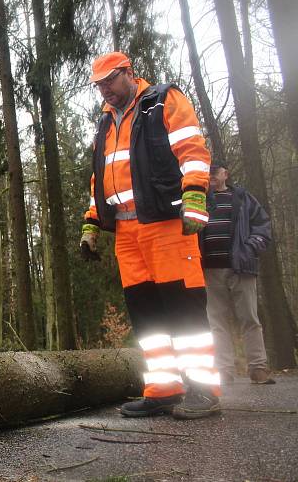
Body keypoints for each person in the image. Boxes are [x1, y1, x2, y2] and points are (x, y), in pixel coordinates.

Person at [80, 52, 221, 419]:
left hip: (166, 224)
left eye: (110, 80)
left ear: (128, 73)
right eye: (99, 85)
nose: (105, 90)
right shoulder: (106, 125)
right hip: (127, 232)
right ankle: (163, 388)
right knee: (147, 314)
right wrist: (92, 221)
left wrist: (194, 194)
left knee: (183, 308)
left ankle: (204, 389)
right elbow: (101, 176)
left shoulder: (161, 102)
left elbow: (192, 148)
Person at [201, 163, 275, 385]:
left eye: (216, 171)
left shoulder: (242, 198)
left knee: (249, 319)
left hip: (241, 267)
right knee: (216, 322)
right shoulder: (199, 200)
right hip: (209, 269)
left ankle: (258, 368)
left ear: (225, 174)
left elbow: (262, 224)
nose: (212, 175)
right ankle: (223, 370)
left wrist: (251, 247)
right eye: (209, 172)